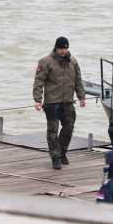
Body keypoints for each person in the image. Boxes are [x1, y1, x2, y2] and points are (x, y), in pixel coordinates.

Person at [33, 36, 86, 169]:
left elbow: (78, 80)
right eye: (61, 48)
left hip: (68, 101)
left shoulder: (73, 62)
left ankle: (62, 152)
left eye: (65, 48)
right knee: (53, 131)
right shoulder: (46, 62)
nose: (63, 51)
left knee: (69, 128)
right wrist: (37, 100)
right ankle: (55, 157)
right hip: (52, 103)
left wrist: (82, 97)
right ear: (56, 48)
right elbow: (39, 81)